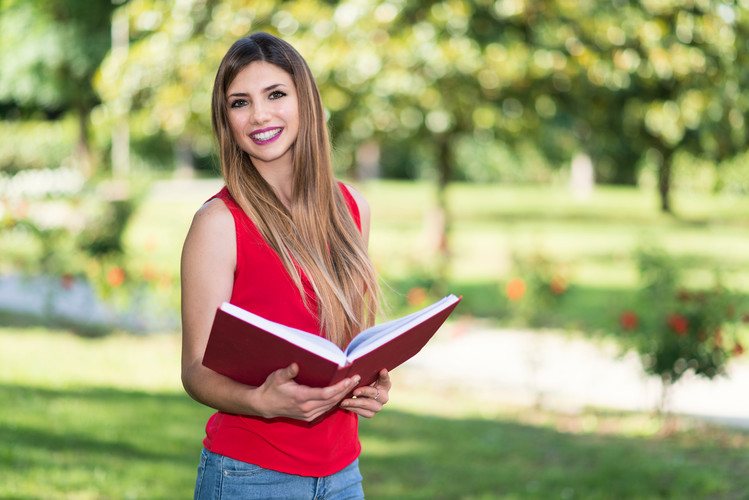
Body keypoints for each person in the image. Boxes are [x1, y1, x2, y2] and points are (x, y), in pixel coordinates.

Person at [179, 32, 390, 499]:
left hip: (343, 475)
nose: (259, 115)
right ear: (226, 119)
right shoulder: (218, 224)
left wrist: (370, 384)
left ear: (305, 102)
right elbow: (195, 370)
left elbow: (349, 348)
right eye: (240, 102)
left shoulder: (353, 208)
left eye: (275, 94)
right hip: (249, 476)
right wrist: (259, 401)